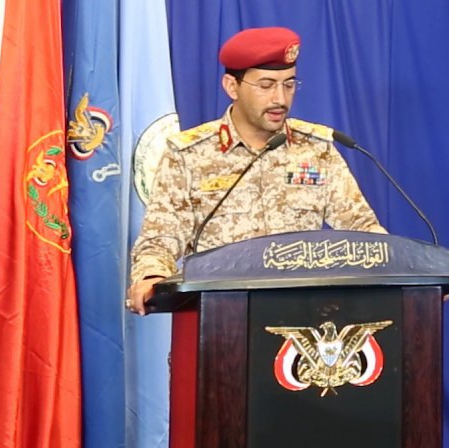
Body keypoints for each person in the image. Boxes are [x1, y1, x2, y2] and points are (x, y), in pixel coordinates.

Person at [126, 26, 385, 314]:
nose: (280, 99)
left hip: (304, 317)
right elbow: (159, 240)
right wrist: (151, 276)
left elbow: (364, 231)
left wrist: (399, 265)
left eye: (289, 85)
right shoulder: (189, 155)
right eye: (266, 85)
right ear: (231, 86)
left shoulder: (316, 150)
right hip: (221, 317)